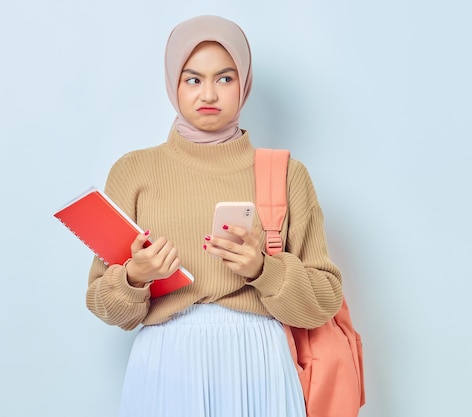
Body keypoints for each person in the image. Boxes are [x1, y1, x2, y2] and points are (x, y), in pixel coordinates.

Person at [86, 15, 343, 417]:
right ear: (173, 82)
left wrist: (264, 269)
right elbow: (104, 304)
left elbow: (324, 301)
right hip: (165, 366)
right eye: (193, 79)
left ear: (245, 82)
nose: (209, 93)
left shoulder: (287, 173)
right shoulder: (132, 171)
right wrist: (135, 276)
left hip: (258, 364)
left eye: (225, 78)